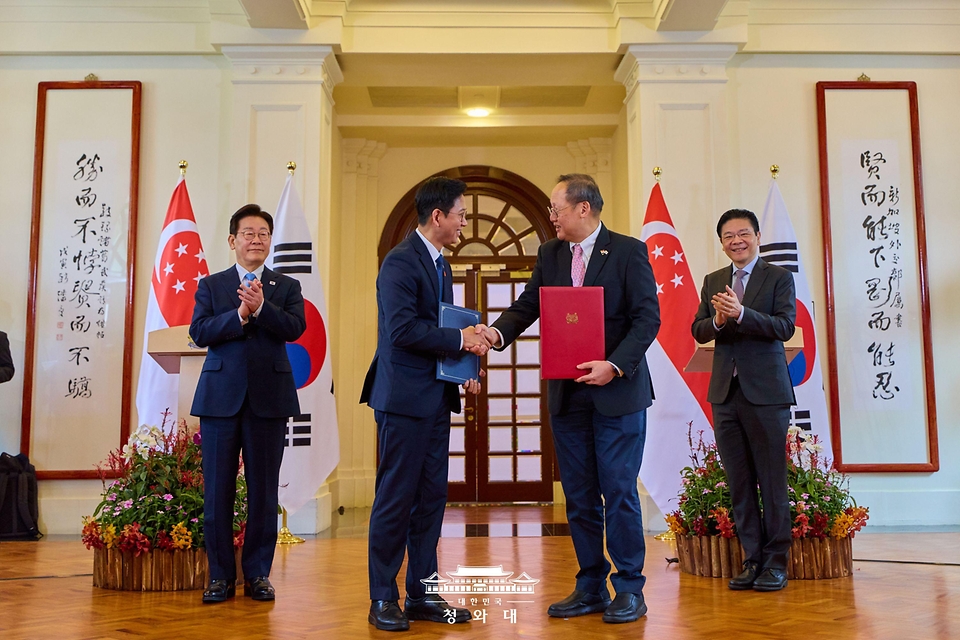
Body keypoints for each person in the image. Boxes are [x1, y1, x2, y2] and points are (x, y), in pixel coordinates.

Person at [479, 173, 660, 624]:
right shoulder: (550, 253)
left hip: (617, 393)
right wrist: (495, 333)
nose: (551, 217)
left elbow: (647, 319)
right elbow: (528, 305)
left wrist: (613, 365)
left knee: (618, 492)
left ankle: (630, 588)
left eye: (556, 209)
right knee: (579, 496)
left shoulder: (628, 251)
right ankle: (590, 586)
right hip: (567, 395)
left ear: (583, 208)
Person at [360, 176, 489, 632]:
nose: (464, 223)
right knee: (396, 499)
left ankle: (423, 595)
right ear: (438, 217)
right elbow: (403, 332)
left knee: (431, 499)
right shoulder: (400, 263)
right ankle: (382, 598)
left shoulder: (441, 265)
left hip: (435, 399)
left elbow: (439, 332)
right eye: (461, 215)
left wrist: (465, 370)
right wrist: (462, 339)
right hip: (402, 401)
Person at [190, 204, 306, 603]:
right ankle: (220, 576)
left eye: (263, 234)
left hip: (269, 401)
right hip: (220, 401)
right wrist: (239, 313)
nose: (256, 240)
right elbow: (199, 331)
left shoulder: (286, 286)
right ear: (232, 241)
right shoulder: (212, 285)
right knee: (217, 493)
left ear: (270, 241)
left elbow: (295, 328)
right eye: (248, 233)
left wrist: (261, 308)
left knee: (263, 492)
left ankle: (258, 574)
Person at [691, 208, 796, 592]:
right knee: (739, 481)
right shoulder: (713, 281)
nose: (736, 240)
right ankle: (752, 559)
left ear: (757, 236)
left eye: (743, 233)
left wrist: (742, 313)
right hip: (725, 393)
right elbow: (698, 329)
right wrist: (719, 320)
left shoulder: (779, 277)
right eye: (728, 236)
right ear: (721, 242)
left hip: (767, 394)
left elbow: (785, 326)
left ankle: (776, 563)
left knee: (771, 479)